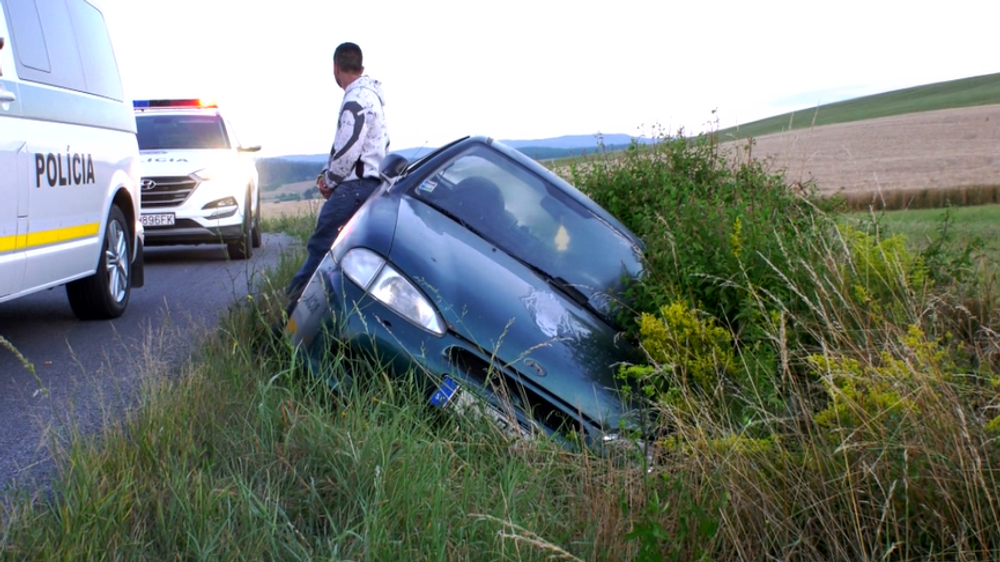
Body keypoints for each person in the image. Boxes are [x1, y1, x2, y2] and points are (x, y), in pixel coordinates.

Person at [286, 42, 389, 300]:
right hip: (371, 187)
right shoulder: (372, 97)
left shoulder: (355, 99)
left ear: (335, 68)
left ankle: (288, 314)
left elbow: (346, 152)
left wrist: (329, 181)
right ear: (361, 67)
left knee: (320, 249)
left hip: (352, 189)